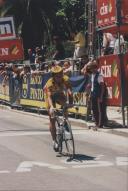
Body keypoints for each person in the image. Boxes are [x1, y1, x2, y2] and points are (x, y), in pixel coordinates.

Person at [44, 65, 73, 151]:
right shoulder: (50, 83)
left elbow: (70, 92)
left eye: (61, 74)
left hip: (59, 94)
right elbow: (49, 96)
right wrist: (52, 107)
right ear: (53, 76)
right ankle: (54, 141)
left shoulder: (66, 79)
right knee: (52, 118)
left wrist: (70, 103)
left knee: (65, 105)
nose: (60, 77)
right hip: (50, 97)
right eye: (57, 76)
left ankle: (65, 122)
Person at [85, 60, 108, 130]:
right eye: (90, 68)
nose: (91, 69)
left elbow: (102, 86)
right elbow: (92, 85)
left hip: (98, 95)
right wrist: (89, 94)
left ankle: (100, 124)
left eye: (92, 68)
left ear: (95, 68)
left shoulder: (99, 75)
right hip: (93, 94)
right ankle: (96, 123)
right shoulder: (92, 75)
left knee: (100, 110)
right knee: (94, 110)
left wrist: (101, 96)